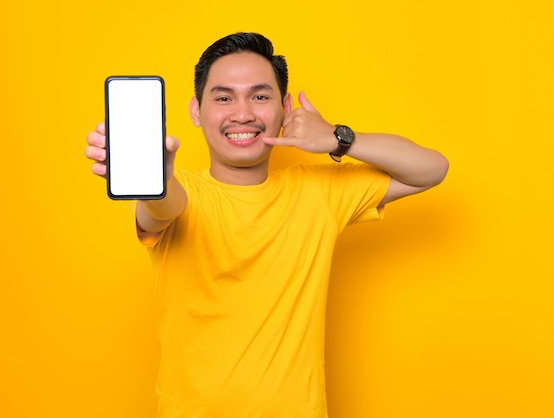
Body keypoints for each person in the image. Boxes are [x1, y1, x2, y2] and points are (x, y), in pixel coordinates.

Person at [85, 32, 448, 418]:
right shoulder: (177, 191)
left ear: (285, 107)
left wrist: (337, 140)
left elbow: (430, 170)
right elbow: (162, 208)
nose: (242, 113)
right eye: (223, 97)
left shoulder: (318, 192)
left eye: (259, 96)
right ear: (196, 111)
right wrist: (154, 178)